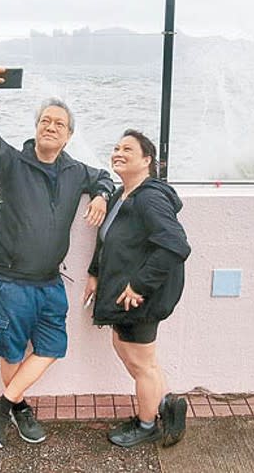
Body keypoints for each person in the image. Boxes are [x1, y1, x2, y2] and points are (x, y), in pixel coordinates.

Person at [0, 63, 114, 449]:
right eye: (45, 120)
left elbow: (105, 177)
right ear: (36, 128)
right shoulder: (11, 162)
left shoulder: (75, 172)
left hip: (50, 281)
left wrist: (100, 194)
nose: (51, 126)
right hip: (7, 278)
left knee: (52, 347)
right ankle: (19, 408)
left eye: (59, 124)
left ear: (68, 136)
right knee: (13, 349)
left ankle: (3, 405)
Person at [82, 129, 191, 448]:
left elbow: (175, 245)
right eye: (116, 147)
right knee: (128, 351)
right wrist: (94, 273)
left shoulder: (150, 197)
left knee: (141, 364)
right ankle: (166, 403)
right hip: (124, 292)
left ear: (147, 160)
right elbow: (108, 240)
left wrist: (138, 285)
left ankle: (147, 425)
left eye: (128, 149)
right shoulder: (121, 194)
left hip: (142, 296)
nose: (118, 152)